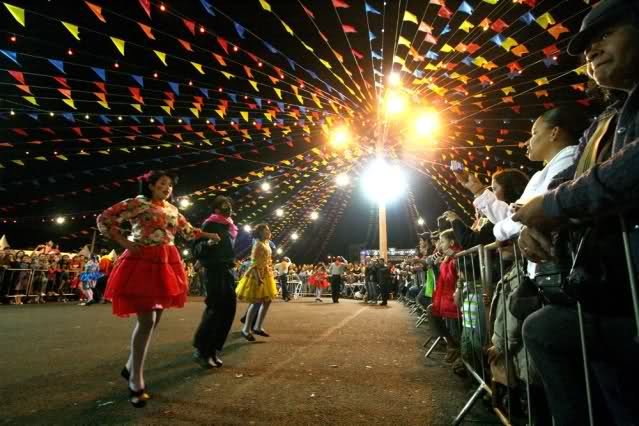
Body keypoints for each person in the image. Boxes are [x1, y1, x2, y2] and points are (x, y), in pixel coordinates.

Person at [513, 1, 639, 423]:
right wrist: (540, 221)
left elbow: (627, 173)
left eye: (605, 35)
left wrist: (549, 208)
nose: (592, 51)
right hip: (609, 289)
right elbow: (570, 185)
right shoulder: (606, 119)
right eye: (587, 44)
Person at [97, 170, 220, 408]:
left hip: (167, 263)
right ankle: (135, 380)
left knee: (154, 320)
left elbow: (188, 231)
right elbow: (104, 219)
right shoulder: (137, 204)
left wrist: (209, 235)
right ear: (151, 185)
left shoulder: (173, 210)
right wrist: (124, 242)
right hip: (141, 260)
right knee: (146, 321)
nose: (167, 188)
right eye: (163, 184)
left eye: (170, 185)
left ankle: (131, 366)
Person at [192, 196, 238, 369]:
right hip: (213, 270)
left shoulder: (229, 226)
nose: (228, 207)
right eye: (224, 205)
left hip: (227, 270)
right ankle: (205, 350)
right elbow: (196, 249)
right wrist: (208, 243)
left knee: (228, 309)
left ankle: (211, 347)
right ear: (216, 209)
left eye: (229, 204)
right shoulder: (209, 224)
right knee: (216, 308)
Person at [236, 224, 277, 341]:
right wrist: (258, 277)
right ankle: (246, 329)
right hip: (256, 275)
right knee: (256, 302)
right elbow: (253, 263)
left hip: (266, 274)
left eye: (269, 229)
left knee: (267, 301)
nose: (269, 231)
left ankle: (258, 326)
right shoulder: (258, 244)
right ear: (260, 233)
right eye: (266, 230)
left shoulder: (267, 243)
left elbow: (267, 259)